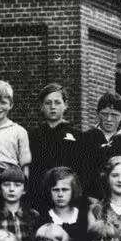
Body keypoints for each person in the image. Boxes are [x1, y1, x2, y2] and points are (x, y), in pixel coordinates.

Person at [27, 83, 84, 211]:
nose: (53, 107)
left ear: (65, 105)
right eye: (48, 103)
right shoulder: (32, 136)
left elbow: (81, 171)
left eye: (57, 102)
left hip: (68, 200)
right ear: (41, 106)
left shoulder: (77, 136)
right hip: (39, 201)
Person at [79, 92, 121, 201]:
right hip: (91, 198)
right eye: (104, 114)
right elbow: (80, 172)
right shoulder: (86, 138)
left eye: (115, 115)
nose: (109, 119)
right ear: (97, 113)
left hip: (120, 199)